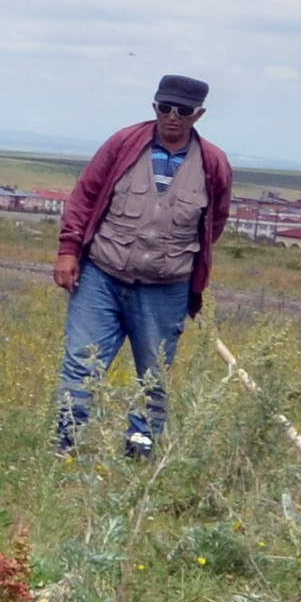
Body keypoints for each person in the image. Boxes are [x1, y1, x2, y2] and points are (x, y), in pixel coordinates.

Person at [51, 75, 234, 458]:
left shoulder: (213, 164)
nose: (172, 116)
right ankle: (66, 449)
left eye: (182, 111)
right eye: (164, 107)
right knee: (81, 366)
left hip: (166, 288)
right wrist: (69, 249)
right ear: (154, 107)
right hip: (101, 274)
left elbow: (213, 224)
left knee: (154, 381)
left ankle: (138, 456)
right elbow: (84, 195)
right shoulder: (123, 145)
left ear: (198, 115)